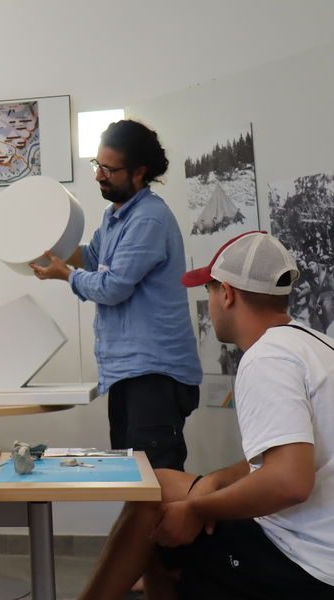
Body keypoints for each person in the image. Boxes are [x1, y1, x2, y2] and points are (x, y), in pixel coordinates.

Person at [79, 231, 334, 599]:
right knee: (158, 483)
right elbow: (294, 454)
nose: (210, 303)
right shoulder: (314, 344)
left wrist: (197, 509)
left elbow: (289, 482)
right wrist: (216, 482)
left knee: (156, 521)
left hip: (309, 563)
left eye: (210, 292)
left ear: (227, 294)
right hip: (320, 537)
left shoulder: (267, 359)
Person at [31, 120, 202, 471]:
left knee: (157, 483)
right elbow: (91, 258)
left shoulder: (148, 220)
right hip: (127, 374)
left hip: (154, 375)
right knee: (132, 477)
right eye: (97, 165)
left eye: (109, 168)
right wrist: (48, 249)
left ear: (140, 172)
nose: (99, 176)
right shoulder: (115, 217)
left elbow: (112, 288)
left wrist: (65, 274)